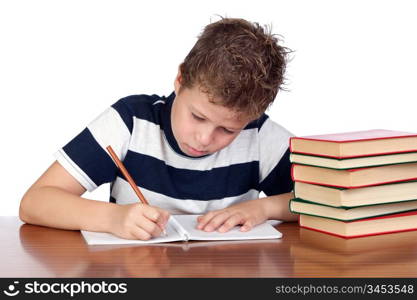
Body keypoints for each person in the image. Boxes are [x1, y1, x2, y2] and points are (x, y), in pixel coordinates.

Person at [19, 17, 297, 240]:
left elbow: (335, 207)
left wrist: (264, 208)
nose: (204, 139)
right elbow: (34, 202)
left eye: (228, 130)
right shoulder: (130, 121)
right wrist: (113, 219)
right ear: (180, 79)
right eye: (197, 116)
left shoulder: (259, 135)